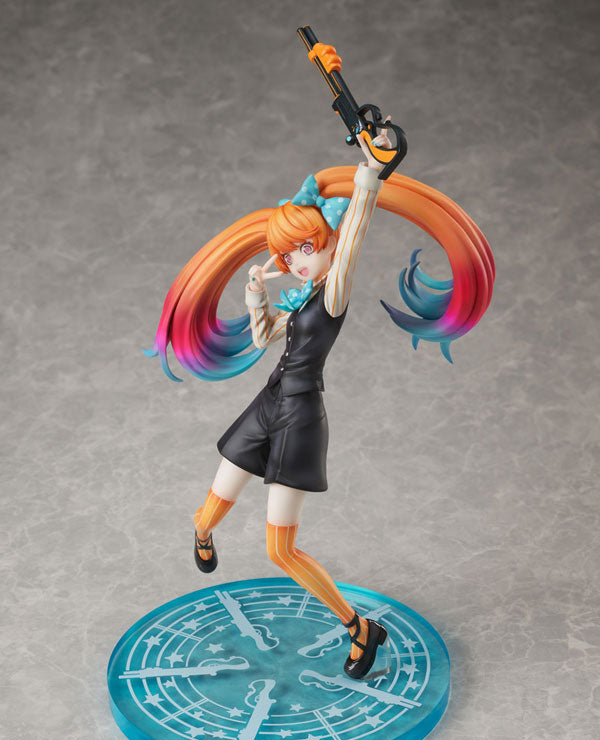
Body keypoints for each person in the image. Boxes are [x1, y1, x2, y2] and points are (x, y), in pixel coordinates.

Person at [145, 127, 494, 680]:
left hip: (300, 418)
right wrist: (256, 293)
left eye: (307, 248)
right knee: (216, 495)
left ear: (326, 240)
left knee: (280, 551)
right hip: (269, 402)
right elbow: (264, 338)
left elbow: (351, 240)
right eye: (289, 254)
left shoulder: (332, 293)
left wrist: (369, 176)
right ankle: (203, 530)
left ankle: (359, 627)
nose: (299, 260)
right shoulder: (302, 295)